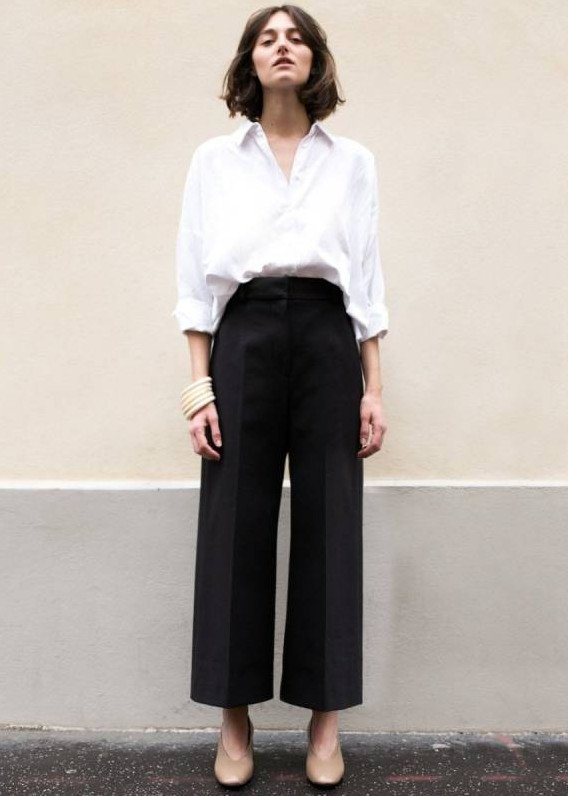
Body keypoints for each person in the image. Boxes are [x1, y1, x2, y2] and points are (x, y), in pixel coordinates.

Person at [173, 4, 389, 788]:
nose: (282, 46)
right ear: (250, 62)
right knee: (234, 520)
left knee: (332, 518)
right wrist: (199, 388)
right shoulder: (214, 161)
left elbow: (366, 278)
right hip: (246, 333)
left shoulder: (352, 162)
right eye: (267, 38)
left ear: (315, 58)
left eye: (296, 37)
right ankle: (233, 721)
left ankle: (324, 723)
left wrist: (373, 387)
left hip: (329, 336)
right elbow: (195, 279)